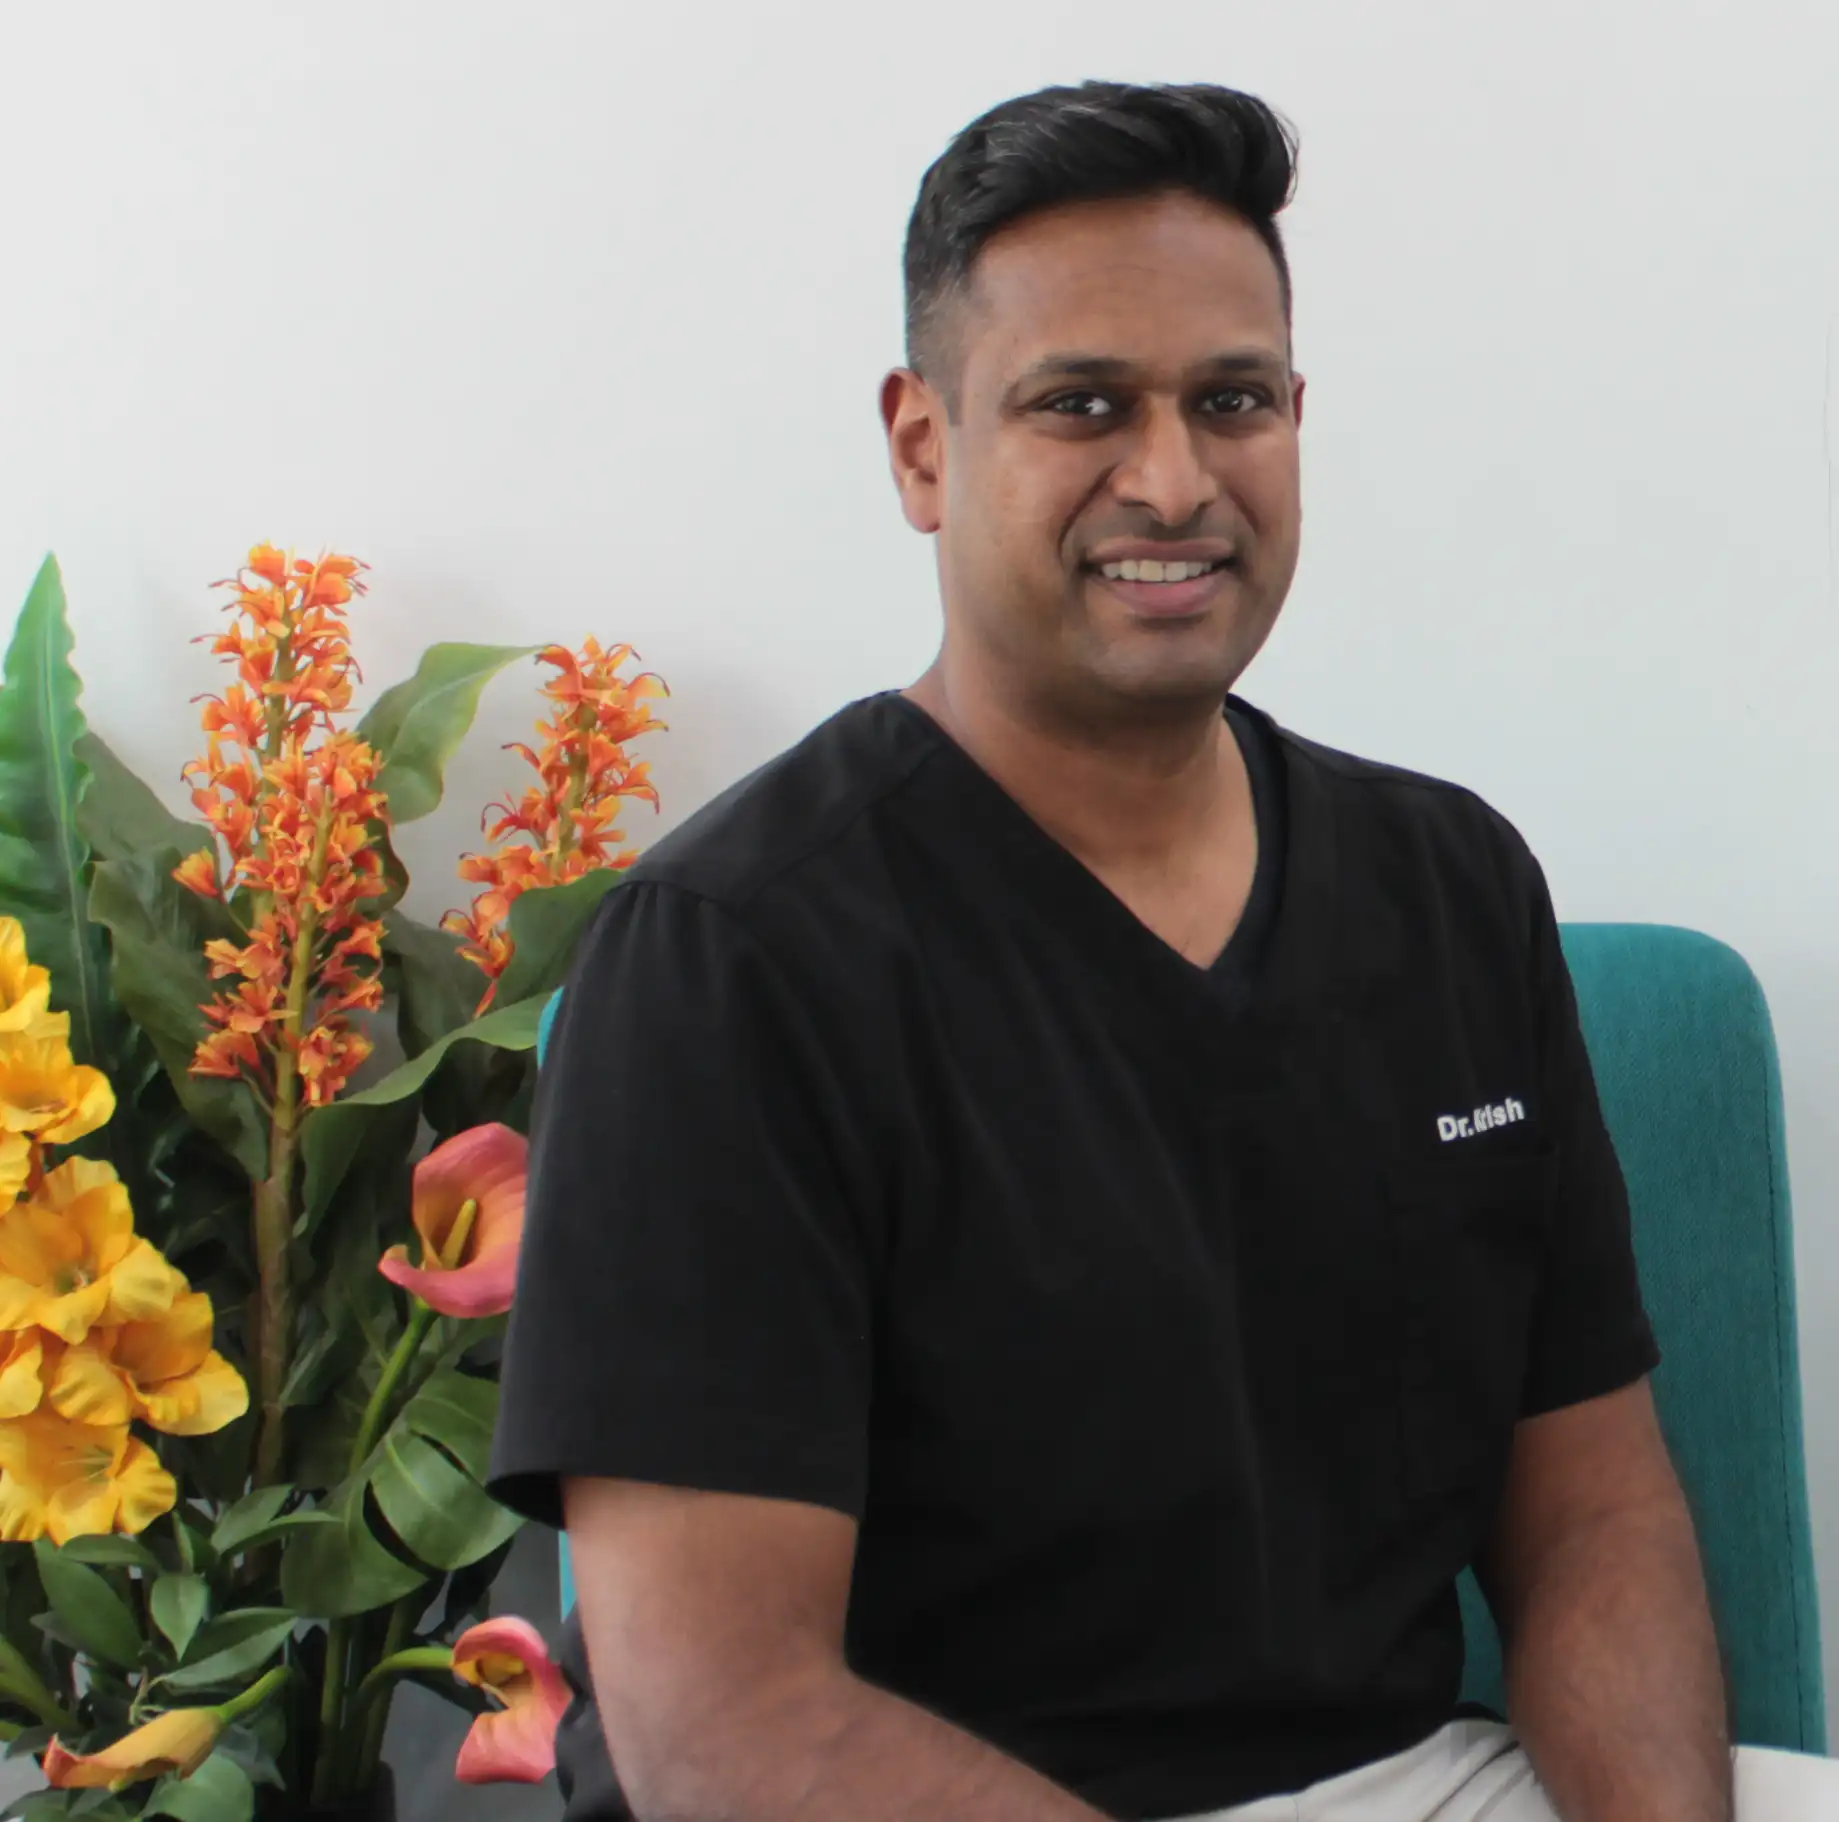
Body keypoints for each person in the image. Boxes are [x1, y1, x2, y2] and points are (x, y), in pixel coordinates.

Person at [489, 81, 1837, 1821]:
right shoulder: (726, 962)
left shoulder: (1447, 887)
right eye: (1082, 405)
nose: (1174, 479)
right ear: (921, 446)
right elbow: (726, 1725)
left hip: (1399, 1780)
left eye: (1230, 400)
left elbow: (1588, 1508)